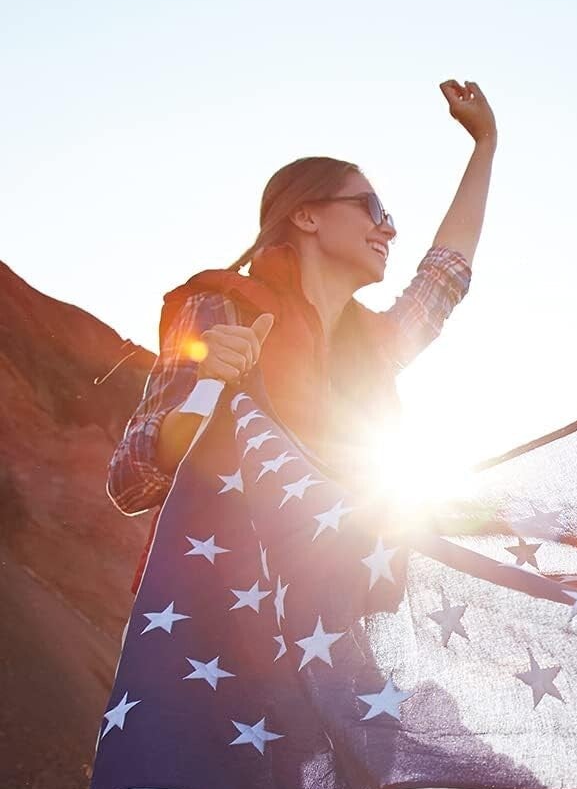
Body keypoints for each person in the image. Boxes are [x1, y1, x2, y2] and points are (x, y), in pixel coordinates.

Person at [106, 78, 497, 520]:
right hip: (231, 584)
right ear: (306, 215)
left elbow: (444, 276)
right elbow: (130, 481)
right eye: (372, 209)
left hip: (334, 587)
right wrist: (206, 388)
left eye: (388, 217)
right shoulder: (223, 310)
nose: (389, 229)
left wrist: (485, 144)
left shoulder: (376, 345)